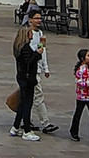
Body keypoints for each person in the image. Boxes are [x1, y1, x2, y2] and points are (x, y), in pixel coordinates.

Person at [9, 10, 43, 141]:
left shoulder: (18, 47)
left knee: (23, 103)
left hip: (22, 77)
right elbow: (29, 61)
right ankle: (27, 130)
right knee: (27, 103)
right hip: (28, 78)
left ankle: (15, 127)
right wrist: (38, 53)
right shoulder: (25, 48)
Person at [30, 15, 58, 134]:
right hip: (31, 69)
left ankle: (26, 119)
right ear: (30, 20)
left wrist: (45, 68)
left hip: (38, 69)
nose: (39, 21)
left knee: (30, 96)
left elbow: (43, 51)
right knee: (38, 96)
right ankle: (45, 122)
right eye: (36, 18)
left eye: (40, 18)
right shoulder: (28, 33)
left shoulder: (40, 33)